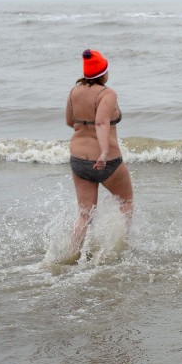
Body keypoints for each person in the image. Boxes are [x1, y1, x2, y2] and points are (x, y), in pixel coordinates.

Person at [65, 49, 134, 255]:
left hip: (79, 159)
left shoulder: (74, 92)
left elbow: (70, 122)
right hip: (107, 160)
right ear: (103, 73)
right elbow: (101, 122)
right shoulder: (108, 94)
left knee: (85, 215)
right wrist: (103, 152)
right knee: (126, 202)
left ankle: (72, 253)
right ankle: (121, 248)